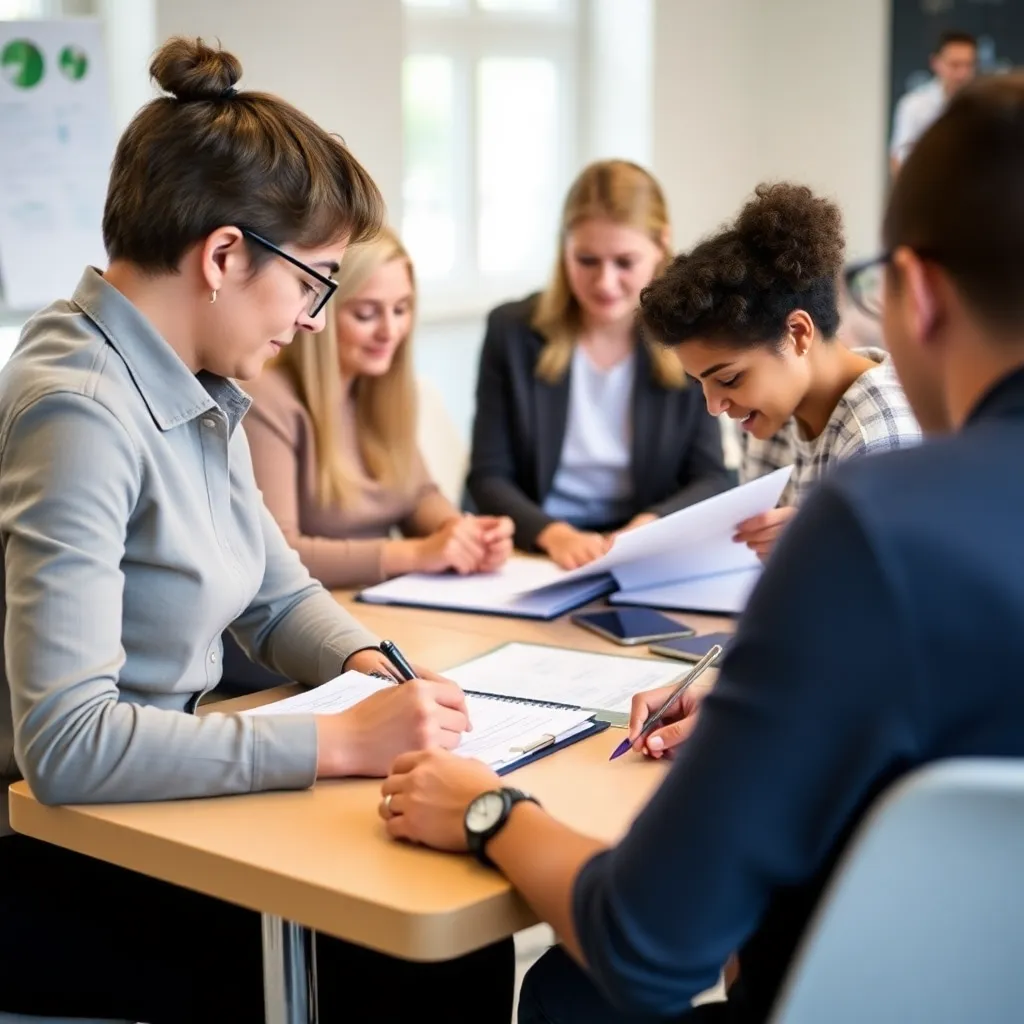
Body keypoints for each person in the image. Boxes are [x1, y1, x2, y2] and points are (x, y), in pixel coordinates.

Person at [375, 70, 1024, 1022]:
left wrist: (490, 810)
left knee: (570, 992)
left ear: (915, 292)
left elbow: (648, 944)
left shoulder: (876, 523)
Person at [0, 38, 512, 1023]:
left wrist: (375, 668)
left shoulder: (198, 378)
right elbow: (63, 745)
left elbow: (277, 594)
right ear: (225, 254)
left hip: (158, 806)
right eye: (315, 281)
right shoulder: (77, 411)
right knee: (412, 960)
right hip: (62, 851)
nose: (318, 318)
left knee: (449, 927)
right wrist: (336, 747)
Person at [467, 159, 731, 571]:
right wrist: (555, 535)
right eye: (586, 260)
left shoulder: (691, 339)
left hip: (637, 552)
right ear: (564, 248)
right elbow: (488, 476)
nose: (605, 283)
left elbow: (712, 477)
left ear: (662, 245)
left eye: (624, 262)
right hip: (535, 550)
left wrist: (651, 526)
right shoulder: (512, 331)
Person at [639, 182, 921, 560]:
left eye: (728, 379)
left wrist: (823, 548)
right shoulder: (769, 413)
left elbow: (899, 598)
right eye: (700, 382)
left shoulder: (880, 437)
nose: (714, 406)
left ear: (798, 333)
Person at [244, 226, 513, 587]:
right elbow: (278, 555)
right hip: (313, 613)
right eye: (367, 314)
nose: (390, 331)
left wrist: (460, 533)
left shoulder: (381, 389)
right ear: (319, 309)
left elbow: (417, 496)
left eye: (401, 309)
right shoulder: (268, 399)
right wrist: (417, 554)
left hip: (383, 603)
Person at [890, 29, 977, 173]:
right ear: (935, 63)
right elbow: (899, 158)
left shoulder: (983, 106)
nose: (962, 73)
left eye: (968, 65)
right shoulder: (914, 105)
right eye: (955, 65)